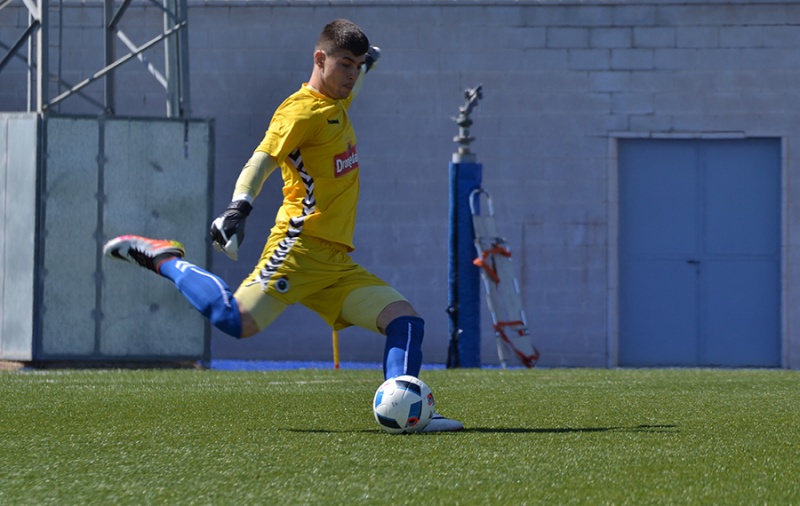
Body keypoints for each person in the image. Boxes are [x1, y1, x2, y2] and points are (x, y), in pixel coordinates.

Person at [103, 19, 463, 432]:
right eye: (345, 64)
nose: (351, 75)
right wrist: (239, 208)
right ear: (319, 59)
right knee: (233, 320)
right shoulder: (300, 111)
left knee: (405, 321)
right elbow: (262, 159)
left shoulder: (337, 102)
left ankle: (408, 413)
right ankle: (164, 257)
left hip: (334, 263)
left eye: (357, 66)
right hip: (298, 247)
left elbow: (355, 81)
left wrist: (366, 64)